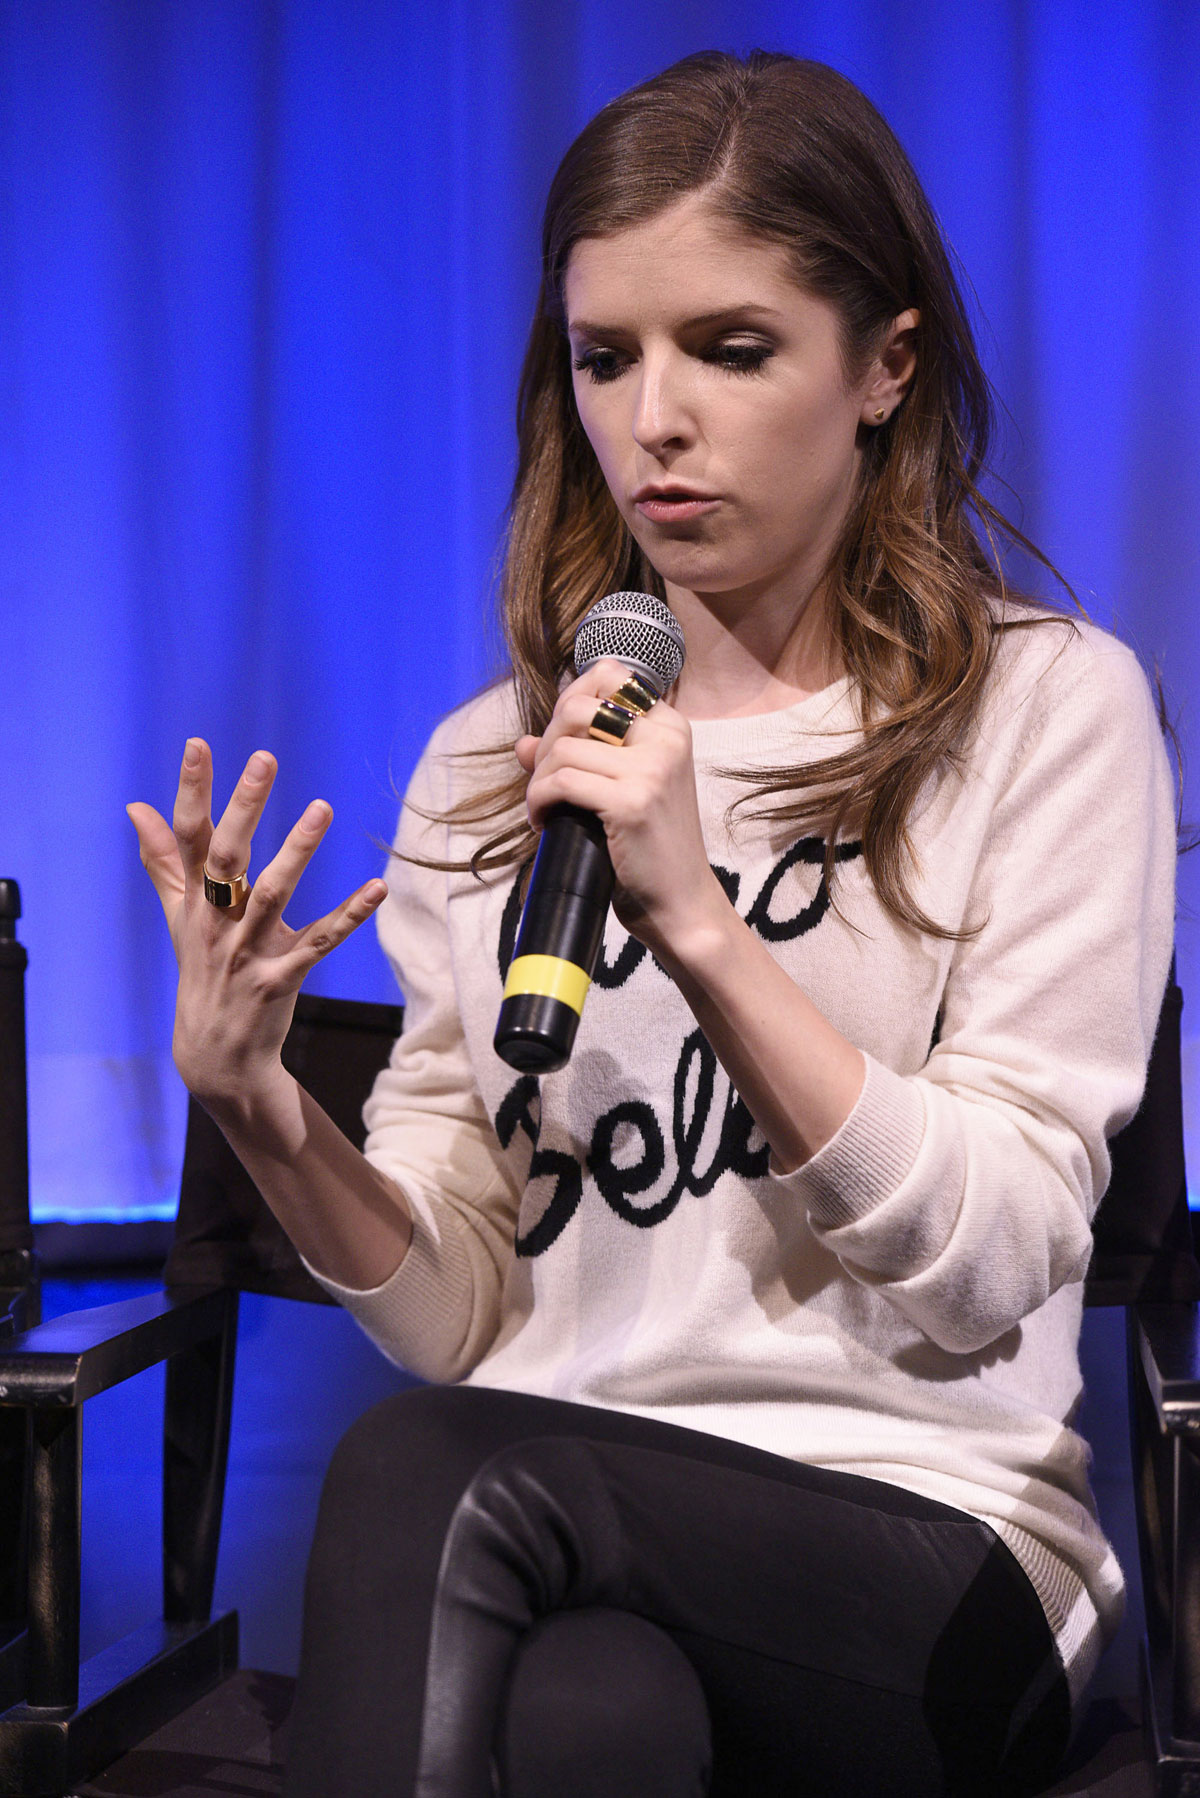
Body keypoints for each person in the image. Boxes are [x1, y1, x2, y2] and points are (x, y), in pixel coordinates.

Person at [128, 50, 1176, 1798]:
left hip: (931, 1544)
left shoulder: (1050, 713)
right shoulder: (496, 758)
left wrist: (698, 919)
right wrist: (258, 1106)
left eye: (731, 347)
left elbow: (998, 1257)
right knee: (587, 1715)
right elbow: (458, 1318)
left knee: (415, 1473)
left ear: (885, 371)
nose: (654, 420)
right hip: (557, 1521)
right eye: (607, 357)